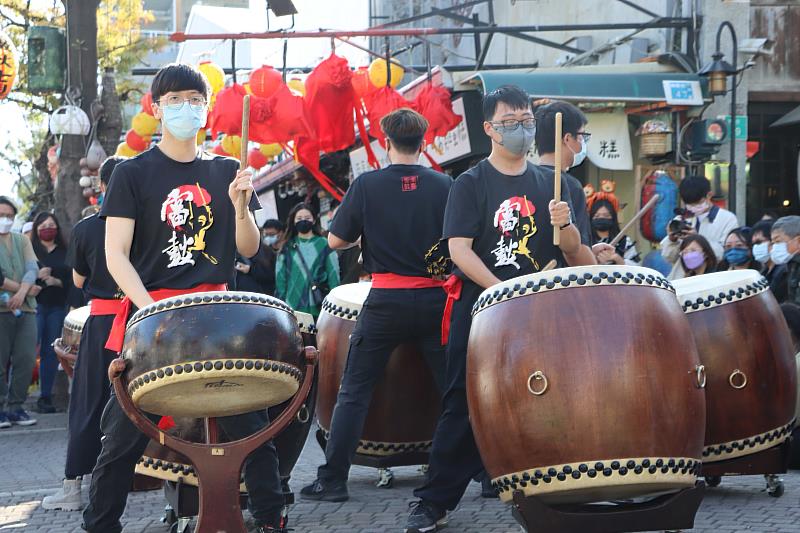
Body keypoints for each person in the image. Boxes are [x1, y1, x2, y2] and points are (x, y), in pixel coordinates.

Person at [81, 63, 289, 533]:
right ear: (156, 108)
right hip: (154, 319)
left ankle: (271, 517)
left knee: (248, 427)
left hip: (217, 320)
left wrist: (240, 206)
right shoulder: (131, 173)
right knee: (121, 437)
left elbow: (248, 249)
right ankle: (99, 525)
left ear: (207, 108)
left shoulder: (226, 170)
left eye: (195, 99)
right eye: (174, 100)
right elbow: (116, 254)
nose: (185, 108)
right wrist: (150, 308)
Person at [404, 85, 594, 533]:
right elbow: (459, 251)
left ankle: (564, 490)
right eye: (510, 123)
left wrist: (564, 226)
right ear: (489, 129)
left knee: (553, 396)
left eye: (527, 120)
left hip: (545, 313)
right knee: (463, 403)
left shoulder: (561, 185)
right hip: (483, 312)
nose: (521, 129)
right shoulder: (470, 183)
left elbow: (579, 257)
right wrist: (500, 293)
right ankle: (434, 501)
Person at [300, 108, 450, 502]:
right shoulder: (443, 185)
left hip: (385, 301)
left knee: (355, 392)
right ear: (423, 143)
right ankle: (482, 476)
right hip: (435, 299)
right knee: (453, 390)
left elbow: (335, 241)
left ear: (386, 143)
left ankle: (333, 481)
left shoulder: (367, 186)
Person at [41, 156, 126, 511]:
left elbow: (78, 281)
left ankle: (73, 487)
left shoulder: (89, 228)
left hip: (105, 322)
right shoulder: (151, 223)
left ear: (102, 186)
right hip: (146, 319)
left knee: (88, 405)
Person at [534, 100, 597, 265]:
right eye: (582, 137)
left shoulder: (526, 180)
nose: (583, 143)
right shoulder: (568, 185)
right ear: (568, 139)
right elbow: (578, 257)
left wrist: (592, 250)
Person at [0, 196, 40, 428]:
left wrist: (21, 293)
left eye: (8, 215)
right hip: (2, 310)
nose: (5, 219)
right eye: (1, 214)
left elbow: (31, 268)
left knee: (25, 359)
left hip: (26, 309)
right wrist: (24, 290)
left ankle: (16, 407)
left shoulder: (21, 240)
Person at [30, 211, 71, 414]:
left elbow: (73, 279)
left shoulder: (64, 251)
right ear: (36, 228)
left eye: (51, 224)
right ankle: (11, 399)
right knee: (27, 351)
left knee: (50, 353)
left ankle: (45, 397)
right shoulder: (30, 250)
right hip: (32, 306)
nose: (47, 228)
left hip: (57, 307)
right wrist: (36, 277)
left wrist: (57, 281)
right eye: (43, 225)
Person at [660, 176, 738, 279]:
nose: (693, 207)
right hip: (681, 279)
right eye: (689, 204)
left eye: (697, 203)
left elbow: (725, 255)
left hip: (712, 279)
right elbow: (668, 258)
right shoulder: (681, 219)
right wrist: (672, 240)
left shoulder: (727, 219)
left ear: (709, 195)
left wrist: (698, 239)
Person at [275, 203, 340, 317]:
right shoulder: (287, 246)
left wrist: (335, 302)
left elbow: (333, 273)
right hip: (292, 305)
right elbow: (280, 277)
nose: (303, 221)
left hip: (319, 306)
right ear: (294, 222)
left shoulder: (324, 244)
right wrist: (281, 303)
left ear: (314, 220)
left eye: (307, 218)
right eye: (299, 218)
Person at [589, 199, 640, 266]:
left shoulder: (624, 241)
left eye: (606, 216)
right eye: (597, 216)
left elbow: (637, 267)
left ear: (613, 218)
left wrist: (618, 260)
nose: (601, 218)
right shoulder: (585, 241)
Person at [752, 220, 787, 302]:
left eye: (759, 242)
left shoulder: (784, 272)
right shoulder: (762, 274)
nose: (755, 247)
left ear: (773, 241)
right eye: (753, 244)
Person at [771, 216, 800, 307]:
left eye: (778, 241)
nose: (774, 247)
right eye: (773, 243)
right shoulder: (792, 265)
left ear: (798, 241)